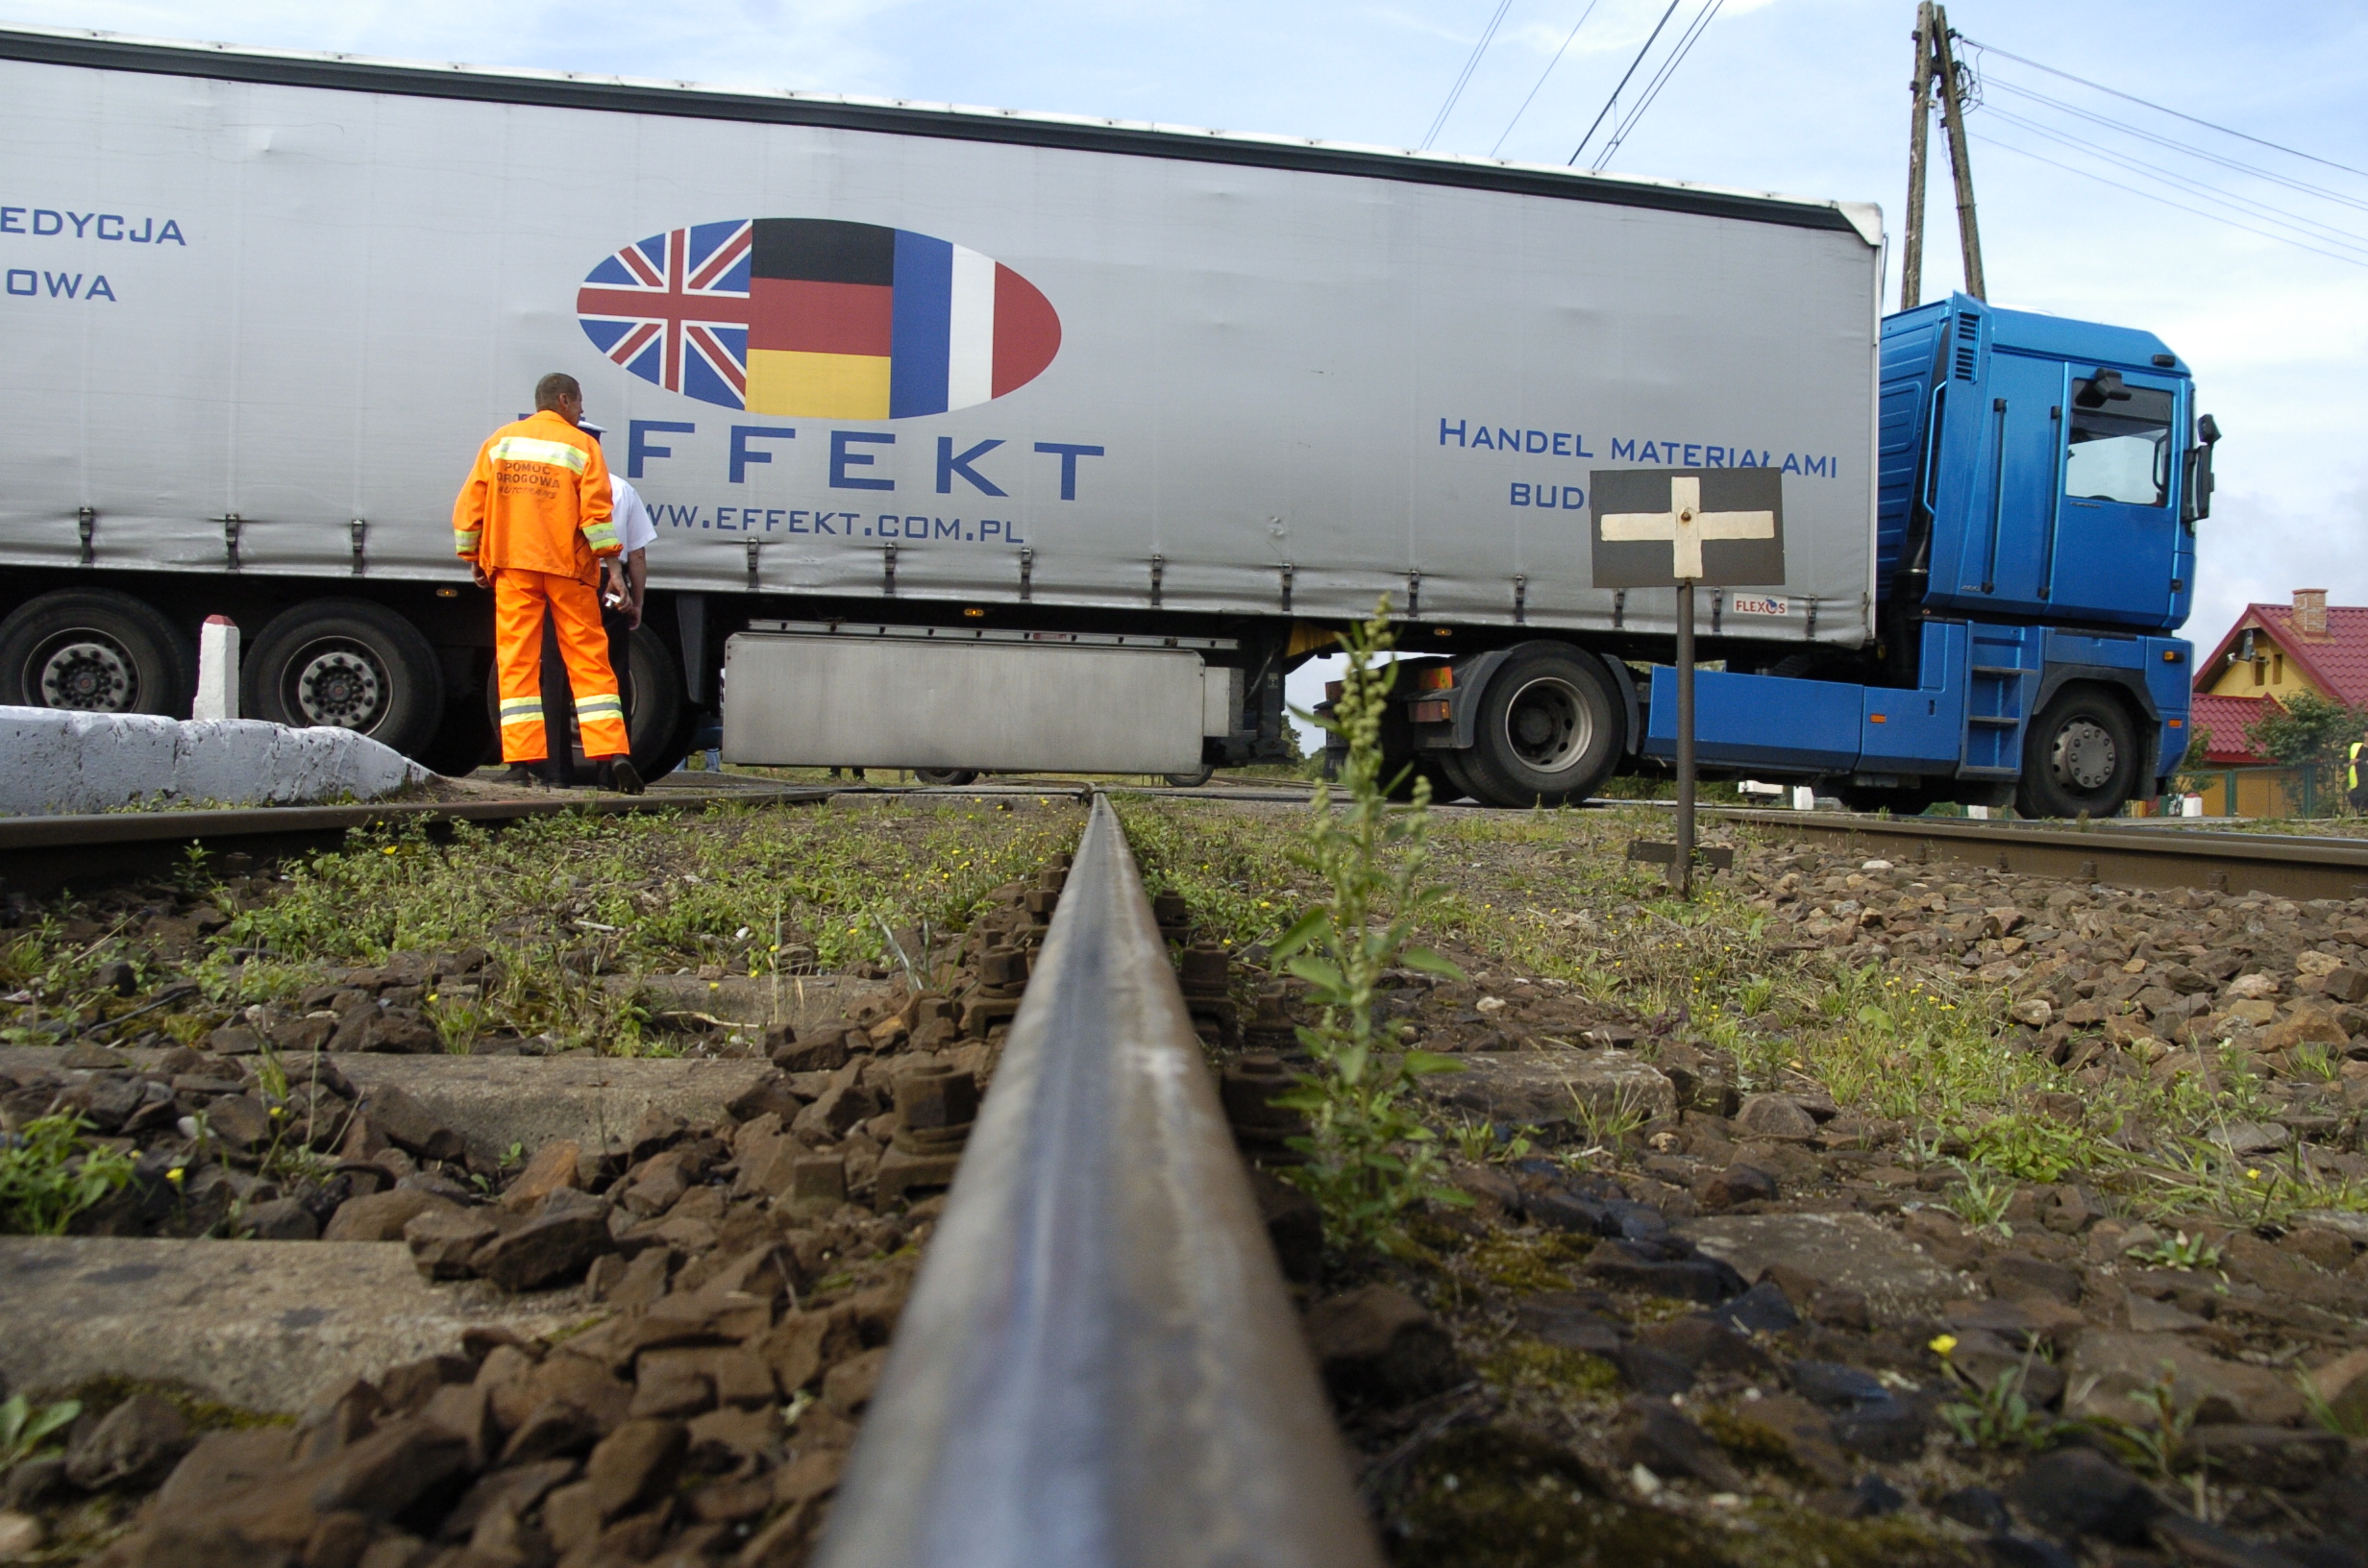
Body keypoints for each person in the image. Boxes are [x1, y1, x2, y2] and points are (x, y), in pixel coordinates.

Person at [452, 373, 642, 794]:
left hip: (514, 567)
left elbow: (470, 507)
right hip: (568, 569)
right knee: (590, 662)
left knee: (517, 662)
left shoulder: (500, 443)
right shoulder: (582, 446)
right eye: (579, 405)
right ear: (563, 400)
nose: (580, 413)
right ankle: (614, 753)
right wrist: (615, 571)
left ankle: (520, 763)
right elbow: (596, 516)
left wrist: (474, 558)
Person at [534, 421, 654, 784]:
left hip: (565, 578)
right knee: (611, 674)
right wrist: (636, 602)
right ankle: (609, 767)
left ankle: (556, 771)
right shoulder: (621, 488)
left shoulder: (553, 484)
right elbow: (638, 555)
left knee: (556, 673)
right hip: (609, 583)